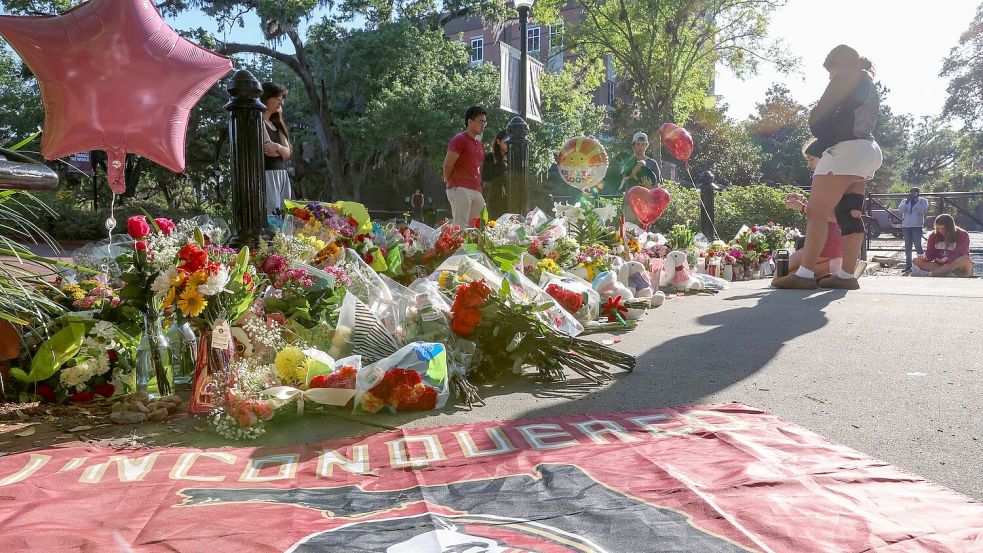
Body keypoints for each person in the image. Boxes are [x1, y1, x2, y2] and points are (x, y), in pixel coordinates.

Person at [773, 45, 882, 290]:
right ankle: (846, 275)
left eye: (830, 72)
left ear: (838, 65)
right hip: (868, 150)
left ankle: (805, 274)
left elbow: (819, 119)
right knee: (850, 214)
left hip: (845, 150)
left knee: (816, 213)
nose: (829, 78)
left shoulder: (844, 77)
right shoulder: (867, 82)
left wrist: (817, 124)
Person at [443, 106, 488, 227]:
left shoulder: (480, 145)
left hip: (476, 189)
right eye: (481, 121)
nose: (483, 125)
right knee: (460, 227)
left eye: (485, 122)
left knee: (480, 226)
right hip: (460, 187)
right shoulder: (459, 139)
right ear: (470, 121)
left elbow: (477, 168)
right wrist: (451, 185)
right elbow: (447, 165)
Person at [261, 82, 292, 215]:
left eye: (282, 99)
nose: (280, 102)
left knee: (284, 214)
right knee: (272, 214)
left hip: (282, 175)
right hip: (268, 174)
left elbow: (287, 153)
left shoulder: (277, 125)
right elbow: (269, 149)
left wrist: (278, 147)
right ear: (265, 98)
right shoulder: (259, 122)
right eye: (277, 98)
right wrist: (280, 149)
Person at [620, 132, 663, 226]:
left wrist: (649, 186)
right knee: (628, 230)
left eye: (643, 144)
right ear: (633, 145)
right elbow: (623, 181)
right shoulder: (628, 162)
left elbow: (658, 185)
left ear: (646, 146)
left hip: (646, 205)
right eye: (638, 144)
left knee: (644, 232)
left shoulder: (652, 163)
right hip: (630, 204)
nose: (640, 147)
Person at [898, 187, 929, 272]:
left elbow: (922, 211)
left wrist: (917, 202)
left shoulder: (923, 201)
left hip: (916, 226)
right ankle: (908, 266)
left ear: (918, 193)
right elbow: (900, 210)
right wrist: (907, 202)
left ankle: (922, 264)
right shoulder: (905, 201)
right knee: (907, 246)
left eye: (914, 193)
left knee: (918, 245)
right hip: (906, 226)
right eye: (911, 192)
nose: (912, 194)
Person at [482, 130, 509, 219]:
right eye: (506, 142)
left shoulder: (511, 158)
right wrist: (503, 176)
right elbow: (486, 177)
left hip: (507, 198)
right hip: (493, 196)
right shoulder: (490, 157)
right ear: (498, 141)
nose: (508, 145)